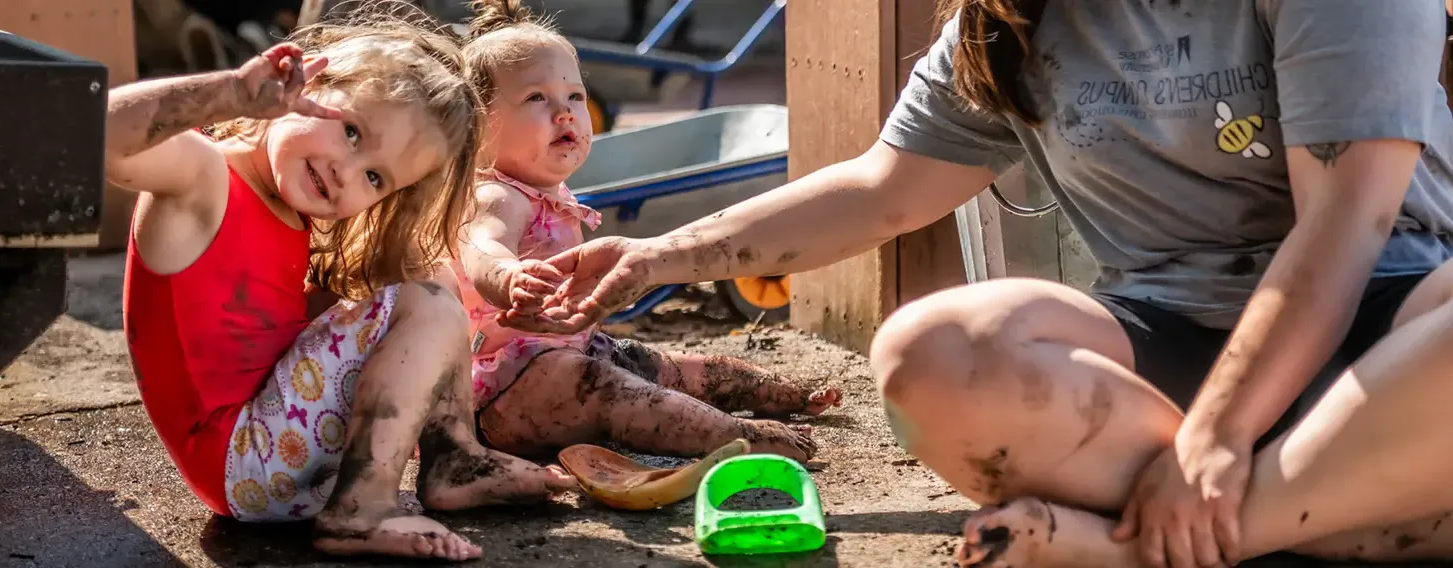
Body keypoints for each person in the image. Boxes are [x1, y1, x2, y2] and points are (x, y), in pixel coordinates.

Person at [509, 0, 1453, 566]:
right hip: (1167, 338)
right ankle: (1335, 508)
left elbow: (1346, 225)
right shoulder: (1006, 18)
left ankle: (1182, 539)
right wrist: (658, 255)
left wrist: (1219, 436)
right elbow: (886, 190)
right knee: (932, 351)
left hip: (1390, 329)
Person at [112, 10, 572, 561]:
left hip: (274, 456)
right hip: (242, 459)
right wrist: (229, 92)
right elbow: (99, 133)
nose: (347, 174)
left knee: (431, 279)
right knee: (418, 301)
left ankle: (453, 456)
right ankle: (361, 511)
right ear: (310, 83)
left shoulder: (290, 210)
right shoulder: (204, 178)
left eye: (375, 178)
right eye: (352, 132)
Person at [448, 0, 836, 465]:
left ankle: (782, 392)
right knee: (624, 397)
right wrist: (507, 276)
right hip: (507, 389)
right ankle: (737, 438)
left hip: (571, 354)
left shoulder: (542, 187)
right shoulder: (496, 196)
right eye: (536, 99)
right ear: (476, 123)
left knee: (677, 369)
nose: (565, 113)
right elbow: (479, 245)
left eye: (574, 96)